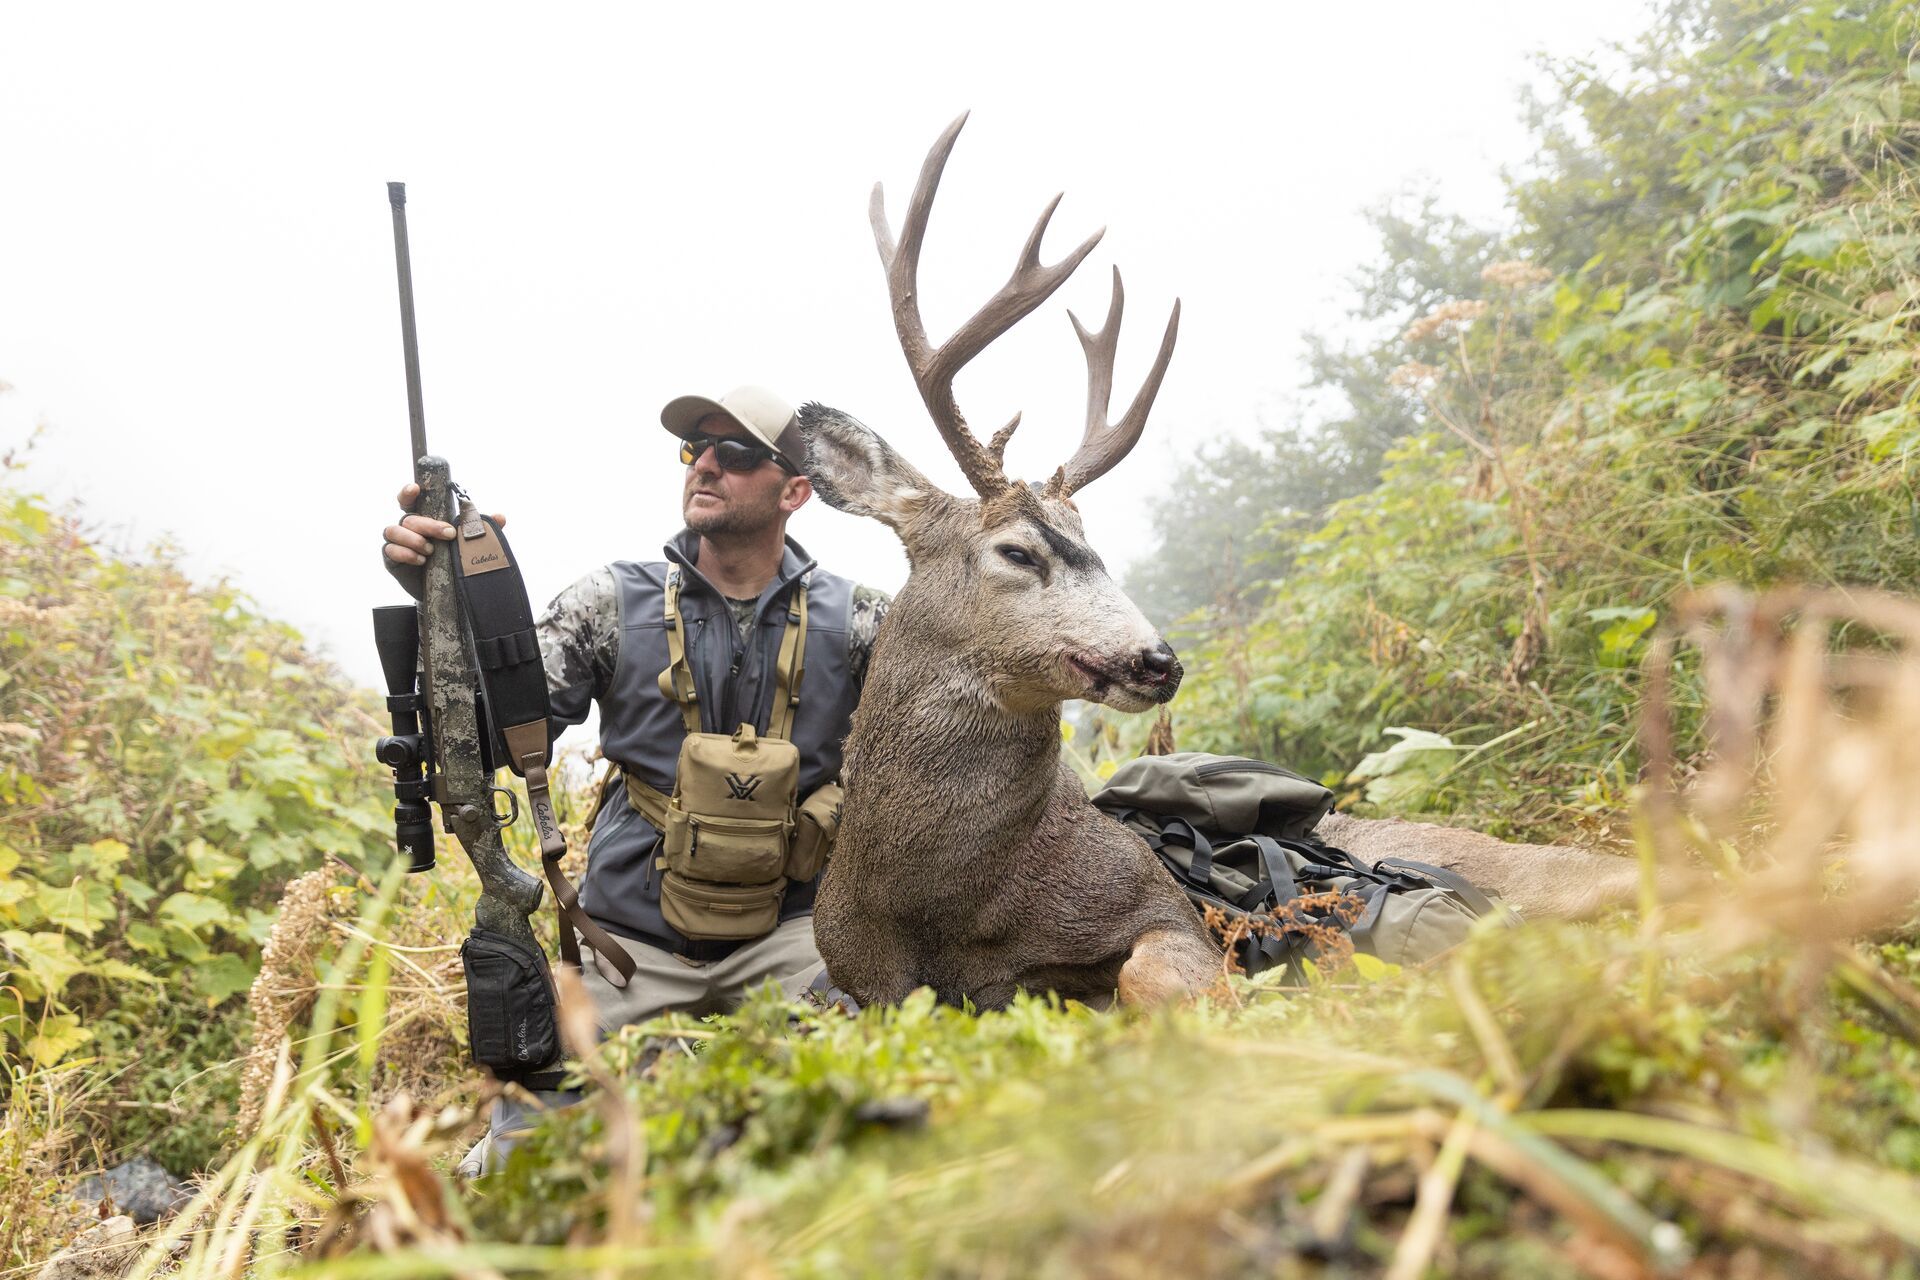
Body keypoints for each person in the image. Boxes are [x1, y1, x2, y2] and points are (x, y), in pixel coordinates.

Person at [381, 385, 888, 1172]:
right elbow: (488, 734)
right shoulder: (610, 602)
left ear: (795, 491)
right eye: (696, 450)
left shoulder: (862, 621)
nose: (707, 465)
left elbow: (944, 739)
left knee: (871, 1129)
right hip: (627, 944)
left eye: (737, 453)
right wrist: (446, 595)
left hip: (797, 937)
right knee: (523, 1165)